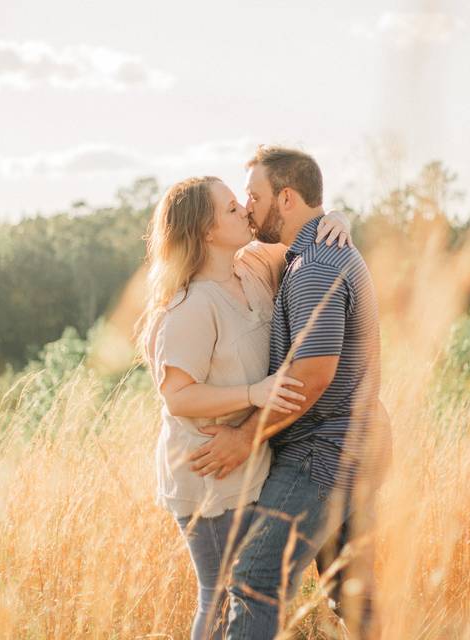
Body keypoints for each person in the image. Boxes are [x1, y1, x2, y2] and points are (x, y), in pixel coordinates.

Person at [138, 175, 354, 640]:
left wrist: (335, 219)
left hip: (249, 458)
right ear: (207, 231)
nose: (245, 212)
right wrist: (255, 394)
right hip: (208, 467)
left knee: (248, 594)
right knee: (219, 596)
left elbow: (302, 236)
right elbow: (178, 397)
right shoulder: (192, 305)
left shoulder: (251, 269)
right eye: (232, 208)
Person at [187, 147, 390, 639]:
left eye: (254, 197)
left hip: (320, 457)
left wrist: (245, 439)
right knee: (351, 591)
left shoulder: (315, 267)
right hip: (351, 447)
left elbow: (312, 377)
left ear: (285, 197)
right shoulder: (312, 255)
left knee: (254, 579)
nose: (248, 207)